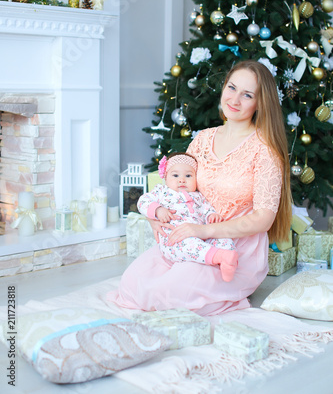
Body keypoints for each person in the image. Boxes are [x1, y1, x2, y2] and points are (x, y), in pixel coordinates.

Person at [107, 60, 292, 316]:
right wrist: (156, 217)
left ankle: (227, 294)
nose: (235, 100)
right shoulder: (203, 139)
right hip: (190, 237)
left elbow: (263, 219)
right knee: (132, 284)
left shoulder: (265, 150)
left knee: (173, 292)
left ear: (260, 103)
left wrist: (204, 229)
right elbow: (176, 188)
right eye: (232, 88)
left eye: (247, 95)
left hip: (235, 248)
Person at [137, 152, 238, 282]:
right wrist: (157, 210)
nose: (182, 180)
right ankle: (218, 256)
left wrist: (211, 216)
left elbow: (207, 209)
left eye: (188, 175)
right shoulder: (162, 192)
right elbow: (142, 201)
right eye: (175, 175)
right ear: (166, 177)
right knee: (189, 245)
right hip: (175, 238)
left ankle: (228, 262)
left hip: (201, 234)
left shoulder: (198, 196)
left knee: (224, 239)